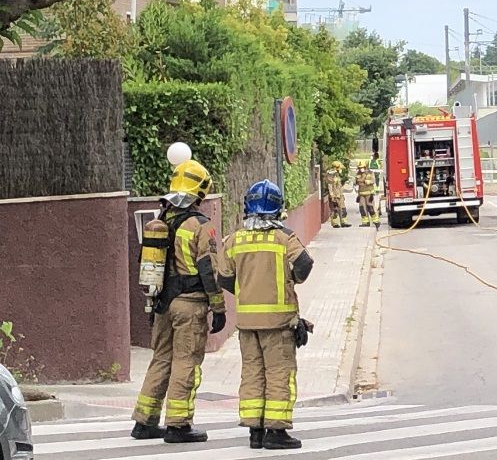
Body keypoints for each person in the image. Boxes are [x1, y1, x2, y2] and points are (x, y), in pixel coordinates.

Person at [131, 160, 227, 443]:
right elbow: (208, 270)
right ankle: (178, 425)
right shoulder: (200, 226)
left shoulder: (163, 220)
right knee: (186, 361)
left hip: (162, 304)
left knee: (161, 359)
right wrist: (218, 308)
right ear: (200, 191)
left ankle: (144, 421)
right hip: (189, 305)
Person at [217, 180, 315, 450]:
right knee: (279, 374)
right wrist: (289, 280)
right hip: (279, 323)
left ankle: (255, 432)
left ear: (247, 207)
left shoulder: (234, 240)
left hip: (248, 323)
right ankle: (276, 431)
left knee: (252, 373)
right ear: (278, 208)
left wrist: (246, 290)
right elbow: (304, 265)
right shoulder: (284, 238)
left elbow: (224, 278)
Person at [355, 161, 379, 227]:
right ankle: (365, 223)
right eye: (360, 168)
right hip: (361, 194)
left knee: (370, 207)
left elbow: (373, 181)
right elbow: (357, 182)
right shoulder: (358, 174)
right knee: (362, 208)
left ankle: (376, 221)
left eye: (362, 167)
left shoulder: (370, 173)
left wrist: (368, 181)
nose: (361, 169)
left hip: (369, 193)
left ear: (365, 167)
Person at [324, 160, 347, 228]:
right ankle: (335, 223)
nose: (340, 170)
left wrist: (342, 194)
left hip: (340, 195)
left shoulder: (337, 175)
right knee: (335, 209)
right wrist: (332, 195)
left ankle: (344, 222)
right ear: (336, 168)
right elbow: (330, 186)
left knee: (343, 209)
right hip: (334, 196)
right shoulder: (330, 175)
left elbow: (339, 186)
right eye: (339, 168)